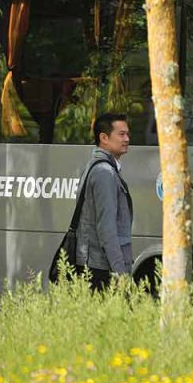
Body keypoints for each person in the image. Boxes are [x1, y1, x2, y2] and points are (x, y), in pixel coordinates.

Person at [76, 112, 133, 291]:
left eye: (127, 134)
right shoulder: (104, 173)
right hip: (100, 267)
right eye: (121, 134)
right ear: (104, 138)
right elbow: (107, 228)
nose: (127, 139)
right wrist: (120, 272)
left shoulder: (99, 166)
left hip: (97, 263)